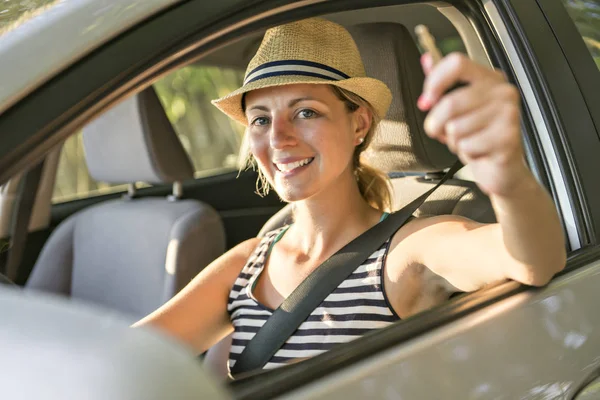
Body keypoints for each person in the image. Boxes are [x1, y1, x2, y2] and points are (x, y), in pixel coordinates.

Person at [134, 18, 566, 374]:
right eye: (261, 119)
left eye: (305, 112)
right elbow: (125, 356)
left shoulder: (406, 251)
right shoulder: (248, 261)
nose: (278, 139)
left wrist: (507, 175)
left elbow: (532, 260)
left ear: (358, 124)